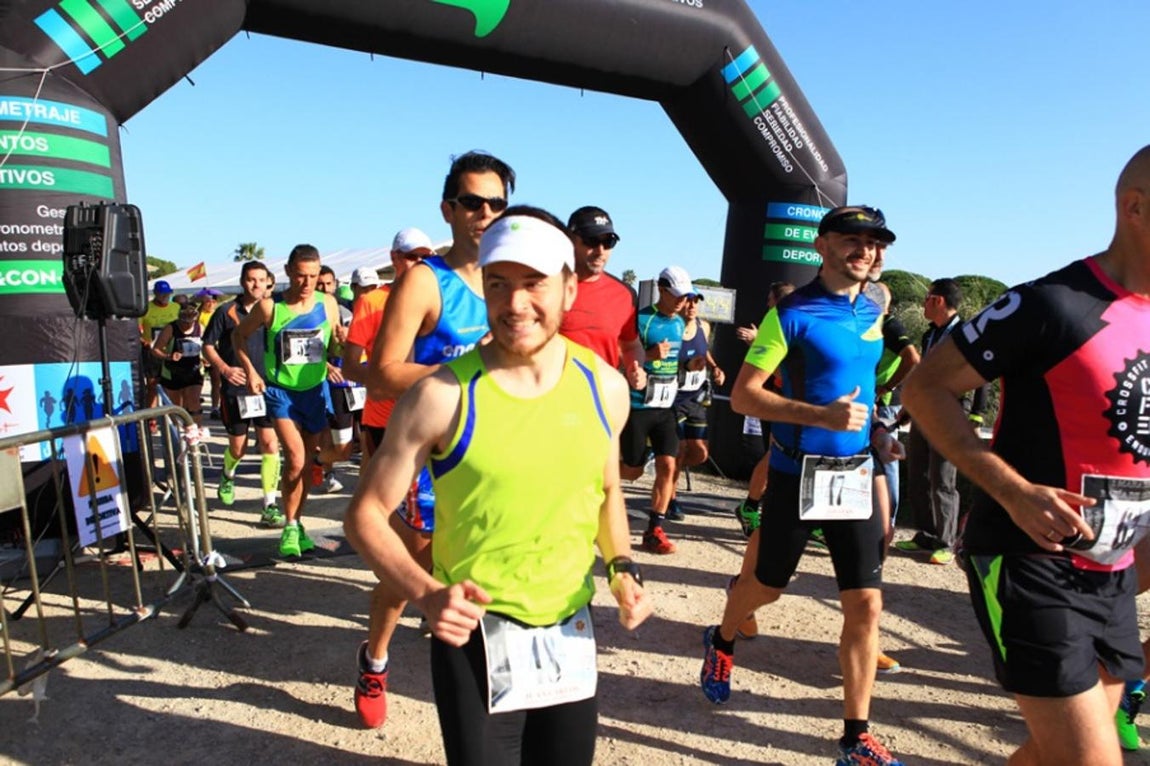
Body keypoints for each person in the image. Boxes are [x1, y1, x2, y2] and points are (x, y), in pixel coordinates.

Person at [345, 207, 651, 766]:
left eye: (534, 283)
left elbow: (607, 490)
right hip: (475, 635)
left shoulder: (605, 388)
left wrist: (621, 565)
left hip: (567, 631)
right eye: (498, 284)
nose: (515, 303)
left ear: (569, 288)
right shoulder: (441, 395)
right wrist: (426, 594)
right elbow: (365, 514)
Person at [901, 145, 1150, 766]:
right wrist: (1013, 491)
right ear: (1136, 208)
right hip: (1029, 557)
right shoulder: (1053, 302)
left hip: (1113, 568)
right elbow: (924, 388)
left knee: (1050, 753)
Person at [701, 205, 904, 766]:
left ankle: (855, 738)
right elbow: (744, 396)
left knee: (866, 605)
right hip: (798, 475)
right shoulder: (790, 314)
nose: (865, 250)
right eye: (852, 239)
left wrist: (878, 433)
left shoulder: (872, 309)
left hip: (855, 473)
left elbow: (861, 386)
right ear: (821, 245)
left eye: (874, 242)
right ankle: (722, 637)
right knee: (766, 587)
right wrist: (820, 417)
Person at [355, 151, 515, 730]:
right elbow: (381, 373)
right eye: (472, 202)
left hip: (492, 451)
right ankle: (374, 659)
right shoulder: (425, 280)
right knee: (411, 572)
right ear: (448, 209)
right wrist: (463, 375)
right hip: (427, 455)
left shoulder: (510, 279)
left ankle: (487, 671)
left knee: (490, 566)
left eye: (497, 204)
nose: (485, 213)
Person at [233, 244, 341, 558]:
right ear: (288, 272)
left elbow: (334, 345)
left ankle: (297, 521)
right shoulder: (270, 307)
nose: (307, 283)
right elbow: (238, 336)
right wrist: (251, 371)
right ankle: (290, 526)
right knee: (295, 459)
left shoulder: (328, 303)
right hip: (281, 391)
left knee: (306, 464)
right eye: (301, 276)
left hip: (314, 391)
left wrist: (342, 344)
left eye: (313, 276)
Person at [895, 278, 988, 565]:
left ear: (937, 301)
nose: (923, 305)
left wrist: (976, 415)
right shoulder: (929, 334)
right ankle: (926, 534)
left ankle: (946, 542)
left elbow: (983, 374)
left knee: (943, 478)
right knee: (919, 475)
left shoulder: (966, 334)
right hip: (924, 409)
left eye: (926, 299)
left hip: (951, 413)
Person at [617, 266, 694, 555]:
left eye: (685, 297)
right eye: (677, 295)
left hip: (666, 408)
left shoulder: (679, 324)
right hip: (639, 405)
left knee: (668, 465)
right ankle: (594, 478)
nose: (682, 302)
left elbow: (673, 362)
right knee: (632, 472)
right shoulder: (642, 320)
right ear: (661, 290)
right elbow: (620, 357)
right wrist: (649, 355)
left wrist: (689, 367)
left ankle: (654, 531)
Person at [202, 261, 283, 526]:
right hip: (236, 389)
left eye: (261, 279)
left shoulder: (274, 310)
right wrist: (225, 369)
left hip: (267, 387)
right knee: (239, 448)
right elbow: (207, 346)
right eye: (251, 279)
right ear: (242, 281)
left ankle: (270, 505)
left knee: (270, 444)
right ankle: (227, 473)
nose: (256, 284)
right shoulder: (226, 311)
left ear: (268, 282)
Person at [558, 206, 645, 373]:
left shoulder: (625, 295)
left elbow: (631, 346)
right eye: (592, 241)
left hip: (603, 389)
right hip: (554, 388)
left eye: (608, 243)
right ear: (570, 240)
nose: (600, 251)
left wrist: (636, 367)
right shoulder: (546, 287)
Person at [667, 291, 725, 520]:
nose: (692, 306)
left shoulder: (704, 326)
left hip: (696, 397)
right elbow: (661, 359)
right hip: (674, 397)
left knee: (700, 454)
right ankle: (670, 498)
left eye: (695, 302)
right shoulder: (671, 327)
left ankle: (666, 464)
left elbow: (704, 351)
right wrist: (685, 365)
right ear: (680, 303)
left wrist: (715, 367)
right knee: (680, 451)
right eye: (688, 302)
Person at [312, 265, 353, 493]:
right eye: (320, 283)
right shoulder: (306, 312)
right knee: (325, 430)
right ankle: (328, 473)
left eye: (328, 283)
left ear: (335, 284)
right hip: (318, 378)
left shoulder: (346, 311)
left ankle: (320, 463)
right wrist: (326, 366)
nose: (324, 288)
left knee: (348, 441)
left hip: (347, 380)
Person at [152, 301, 205, 425]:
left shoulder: (200, 328)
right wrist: (169, 356)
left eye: (190, 321)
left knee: (194, 401)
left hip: (194, 370)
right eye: (184, 321)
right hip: (173, 371)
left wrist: (205, 358)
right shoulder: (171, 328)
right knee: (177, 406)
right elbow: (155, 350)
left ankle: (196, 430)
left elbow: (206, 346)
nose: (187, 324)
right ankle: (178, 430)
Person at [140, 280, 180, 419]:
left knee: (172, 385)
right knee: (152, 385)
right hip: (152, 351)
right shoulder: (146, 308)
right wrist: (144, 341)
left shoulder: (176, 307)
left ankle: (173, 417)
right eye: (162, 294)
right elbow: (136, 330)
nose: (165, 296)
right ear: (155, 293)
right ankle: (151, 418)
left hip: (172, 350)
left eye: (167, 294)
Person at [195, 288, 225, 419]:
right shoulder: (198, 315)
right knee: (198, 381)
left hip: (215, 349)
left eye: (213, 302)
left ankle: (215, 407)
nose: (211, 304)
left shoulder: (218, 314)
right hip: (199, 349)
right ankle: (195, 404)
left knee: (216, 379)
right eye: (208, 301)